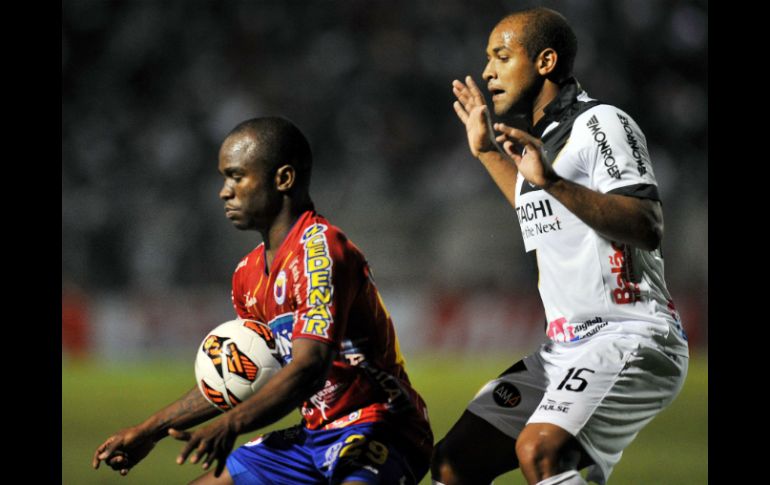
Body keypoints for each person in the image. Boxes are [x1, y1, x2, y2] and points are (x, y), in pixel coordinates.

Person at [92, 117, 434, 484]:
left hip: (381, 426)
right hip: (314, 434)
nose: (225, 191)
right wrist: (149, 430)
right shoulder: (247, 274)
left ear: (283, 179)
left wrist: (231, 424)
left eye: (236, 177)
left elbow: (310, 367)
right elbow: (240, 374)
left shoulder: (320, 251)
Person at [431, 7, 689, 485]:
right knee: (453, 462)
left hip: (630, 334)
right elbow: (544, 212)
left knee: (542, 453)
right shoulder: (541, 141)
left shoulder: (603, 123)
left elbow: (646, 223)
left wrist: (550, 180)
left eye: (502, 57)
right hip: (565, 347)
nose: (487, 71)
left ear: (545, 61)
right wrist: (488, 152)